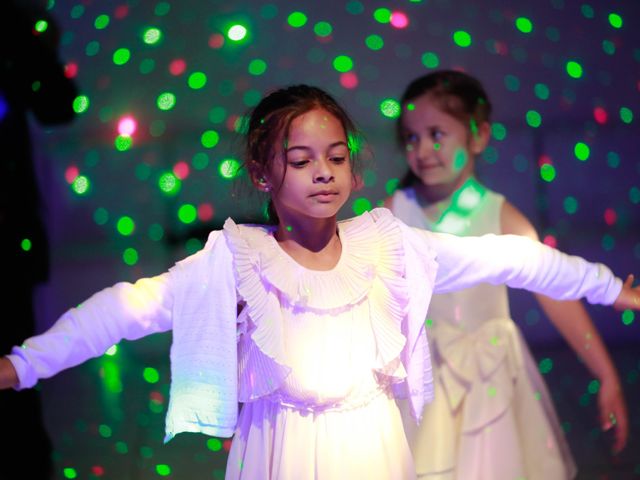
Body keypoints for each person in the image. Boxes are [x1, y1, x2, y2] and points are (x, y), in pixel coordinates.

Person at [1, 84, 638, 480]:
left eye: (336, 158)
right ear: (262, 173)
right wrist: (22, 365)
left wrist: (613, 289)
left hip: (372, 445)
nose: (323, 173)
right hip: (281, 448)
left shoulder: (388, 247)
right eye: (300, 160)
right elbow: (128, 309)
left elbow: (512, 257)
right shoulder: (238, 261)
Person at [386, 70, 629, 479]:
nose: (423, 149)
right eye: (412, 138)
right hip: (423, 378)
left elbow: (558, 296)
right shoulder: (395, 210)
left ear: (478, 136)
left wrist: (606, 374)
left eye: (436, 134)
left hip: (489, 380)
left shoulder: (500, 215)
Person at [0, 1, 78, 478]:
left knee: (13, 376)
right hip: (12, 238)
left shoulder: (11, 29)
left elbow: (56, 104)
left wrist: (36, 41)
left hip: (8, 240)